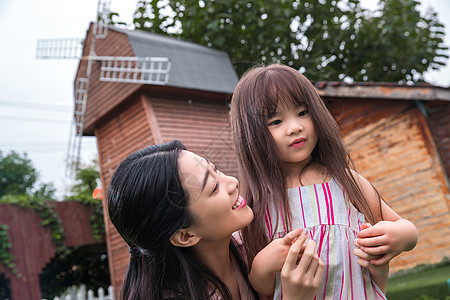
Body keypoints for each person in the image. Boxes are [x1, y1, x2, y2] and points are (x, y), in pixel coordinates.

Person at [230, 64, 419, 299]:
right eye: (276, 121)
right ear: (251, 134)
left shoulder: (347, 183)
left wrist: (401, 237)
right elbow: (263, 288)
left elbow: (407, 229)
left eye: (302, 112)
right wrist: (262, 264)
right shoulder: (257, 206)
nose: (295, 127)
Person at [107, 140, 324, 300]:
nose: (233, 181)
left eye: (216, 170)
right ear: (186, 235)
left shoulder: (252, 242)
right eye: (214, 188)